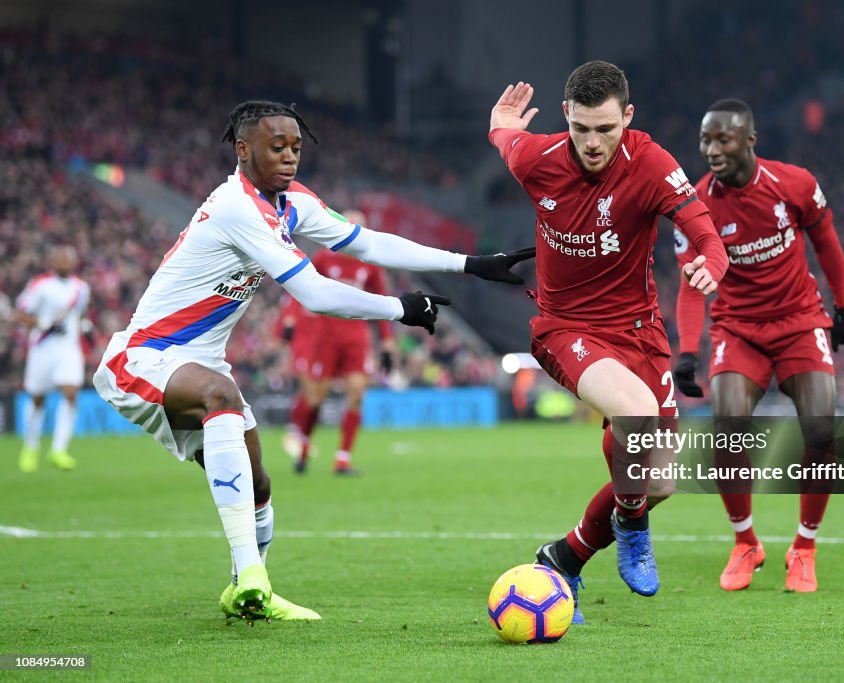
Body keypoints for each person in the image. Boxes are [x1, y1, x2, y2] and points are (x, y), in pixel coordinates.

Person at [92, 100, 534, 623]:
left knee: (258, 486)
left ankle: (247, 591)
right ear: (242, 149)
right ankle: (252, 575)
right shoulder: (237, 205)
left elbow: (367, 244)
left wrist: (469, 264)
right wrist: (400, 308)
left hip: (200, 361)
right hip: (144, 356)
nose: (289, 156)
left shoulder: (292, 202)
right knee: (221, 397)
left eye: (296, 147)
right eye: (276, 146)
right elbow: (315, 294)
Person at [488, 62, 728, 623]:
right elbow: (507, 137)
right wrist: (499, 126)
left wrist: (712, 262)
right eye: (582, 129)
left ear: (628, 117)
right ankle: (632, 525)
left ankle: (565, 555)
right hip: (565, 329)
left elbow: (702, 228)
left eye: (607, 129)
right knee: (637, 413)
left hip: (640, 333)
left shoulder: (651, 163)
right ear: (566, 115)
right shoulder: (535, 159)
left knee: (662, 479)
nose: (593, 143)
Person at [674, 99, 844, 593]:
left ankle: (804, 547)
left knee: (821, 426)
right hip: (738, 328)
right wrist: (687, 350)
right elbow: (692, 284)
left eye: (722, 140)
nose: (711, 150)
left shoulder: (795, 184)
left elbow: (827, 243)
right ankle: (745, 542)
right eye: (705, 140)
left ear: (749, 140)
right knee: (728, 423)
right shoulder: (694, 206)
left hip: (799, 320)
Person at [279, 210, 398, 474]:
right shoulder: (323, 259)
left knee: (356, 392)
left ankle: (343, 458)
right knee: (315, 398)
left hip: (356, 337)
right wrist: (289, 319)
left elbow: (384, 304)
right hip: (326, 336)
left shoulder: (370, 265)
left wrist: (387, 342)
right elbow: (297, 288)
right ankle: (306, 444)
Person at [13, 245, 90, 473]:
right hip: (43, 347)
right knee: (38, 398)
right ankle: (31, 446)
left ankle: (59, 449)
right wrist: (41, 324)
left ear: (74, 262)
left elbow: (80, 313)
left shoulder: (81, 288)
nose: (64, 261)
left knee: (70, 393)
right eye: (59, 257)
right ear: (52, 262)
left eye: (67, 258)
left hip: (68, 348)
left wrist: (83, 325)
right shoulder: (40, 285)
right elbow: (20, 312)